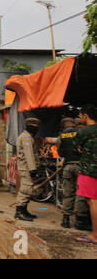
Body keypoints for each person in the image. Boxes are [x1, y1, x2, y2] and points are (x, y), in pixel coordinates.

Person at [46, 118, 91, 230]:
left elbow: (60, 152)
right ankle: (79, 221)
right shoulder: (80, 133)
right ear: (73, 124)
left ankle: (65, 219)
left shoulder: (62, 136)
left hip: (67, 166)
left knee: (68, 193)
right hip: (80, 166)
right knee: (79, 193)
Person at [74, 104, 97, 244]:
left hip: (89, 170)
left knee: (92, 201)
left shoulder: (84, 132)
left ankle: (95, 235)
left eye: (81, 115)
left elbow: (77, 149)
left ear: (85, 116)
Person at [15, 117, 41, 221]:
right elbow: (28, 154)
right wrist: (33, 169)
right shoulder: (26, 138)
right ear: (30, 127)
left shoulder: (27, 136)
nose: (37, 130)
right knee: (26, 189)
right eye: (36, 127)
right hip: (26, 167)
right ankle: (20, 211)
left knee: (28, 188)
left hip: (25, 167)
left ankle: (24, 210)